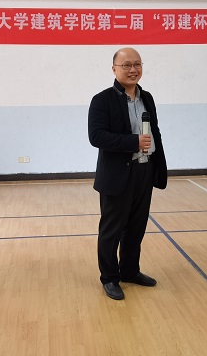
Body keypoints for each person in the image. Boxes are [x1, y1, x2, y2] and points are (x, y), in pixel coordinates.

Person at [88, 47, 167, 300]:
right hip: (117, 174)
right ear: (114, 69)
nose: (133, 70)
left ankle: (130, 271)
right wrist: (134, 142)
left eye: (137, 64)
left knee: (136, 227)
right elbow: (96, 136)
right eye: (126, 65)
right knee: (112, 230)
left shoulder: (148, 98)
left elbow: (154, 132)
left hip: (144, 170)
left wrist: (158, 165)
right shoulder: (102, 100)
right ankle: (110, 277)